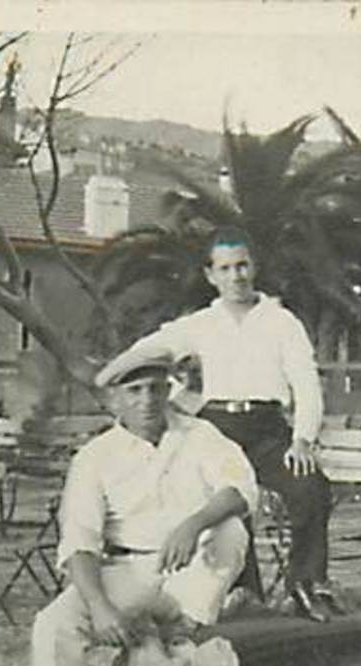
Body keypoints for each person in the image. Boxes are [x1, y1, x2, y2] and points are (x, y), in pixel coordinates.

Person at [27, 353, 258, 666]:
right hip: (127, 569)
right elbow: (79, 543)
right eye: (134, 391)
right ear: (115, 399)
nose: (148, 400)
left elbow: (240, 487)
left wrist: (193, 524)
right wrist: (100, 607)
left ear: (169, 388)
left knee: (229, 528)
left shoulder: (200, 435)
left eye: (156, 388)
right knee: (53, 626)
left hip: (192, 568)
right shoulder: (95, 457)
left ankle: (189, 626)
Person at [102, 227, 337, 621]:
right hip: (215, 429)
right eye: (225, 268)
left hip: (268, 430)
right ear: (211, 275)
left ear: (254, 267)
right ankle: (241, 594)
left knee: (311, 487)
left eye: (243, 265)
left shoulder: (281, 321)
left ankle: (307, 585)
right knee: (222, 500)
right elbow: (149, 351)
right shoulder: (200, 323)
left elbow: (306, 382)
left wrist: (303, 440)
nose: (236, 276)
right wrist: (108, 376)